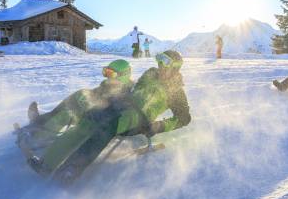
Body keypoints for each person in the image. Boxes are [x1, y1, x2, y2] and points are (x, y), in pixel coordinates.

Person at [23, 51, 191, 181]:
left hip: (138, 119)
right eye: (160, 61)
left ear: (175, 67)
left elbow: (184, 118)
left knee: (106, 127)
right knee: (88, 118)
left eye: (166, 63)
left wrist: (159, 126)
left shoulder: (176, 91)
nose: (161, 66)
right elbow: (133, 90)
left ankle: (71, 170)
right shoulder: (150, 74)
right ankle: (47, 163)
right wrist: (112, 93)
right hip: (122, 106)